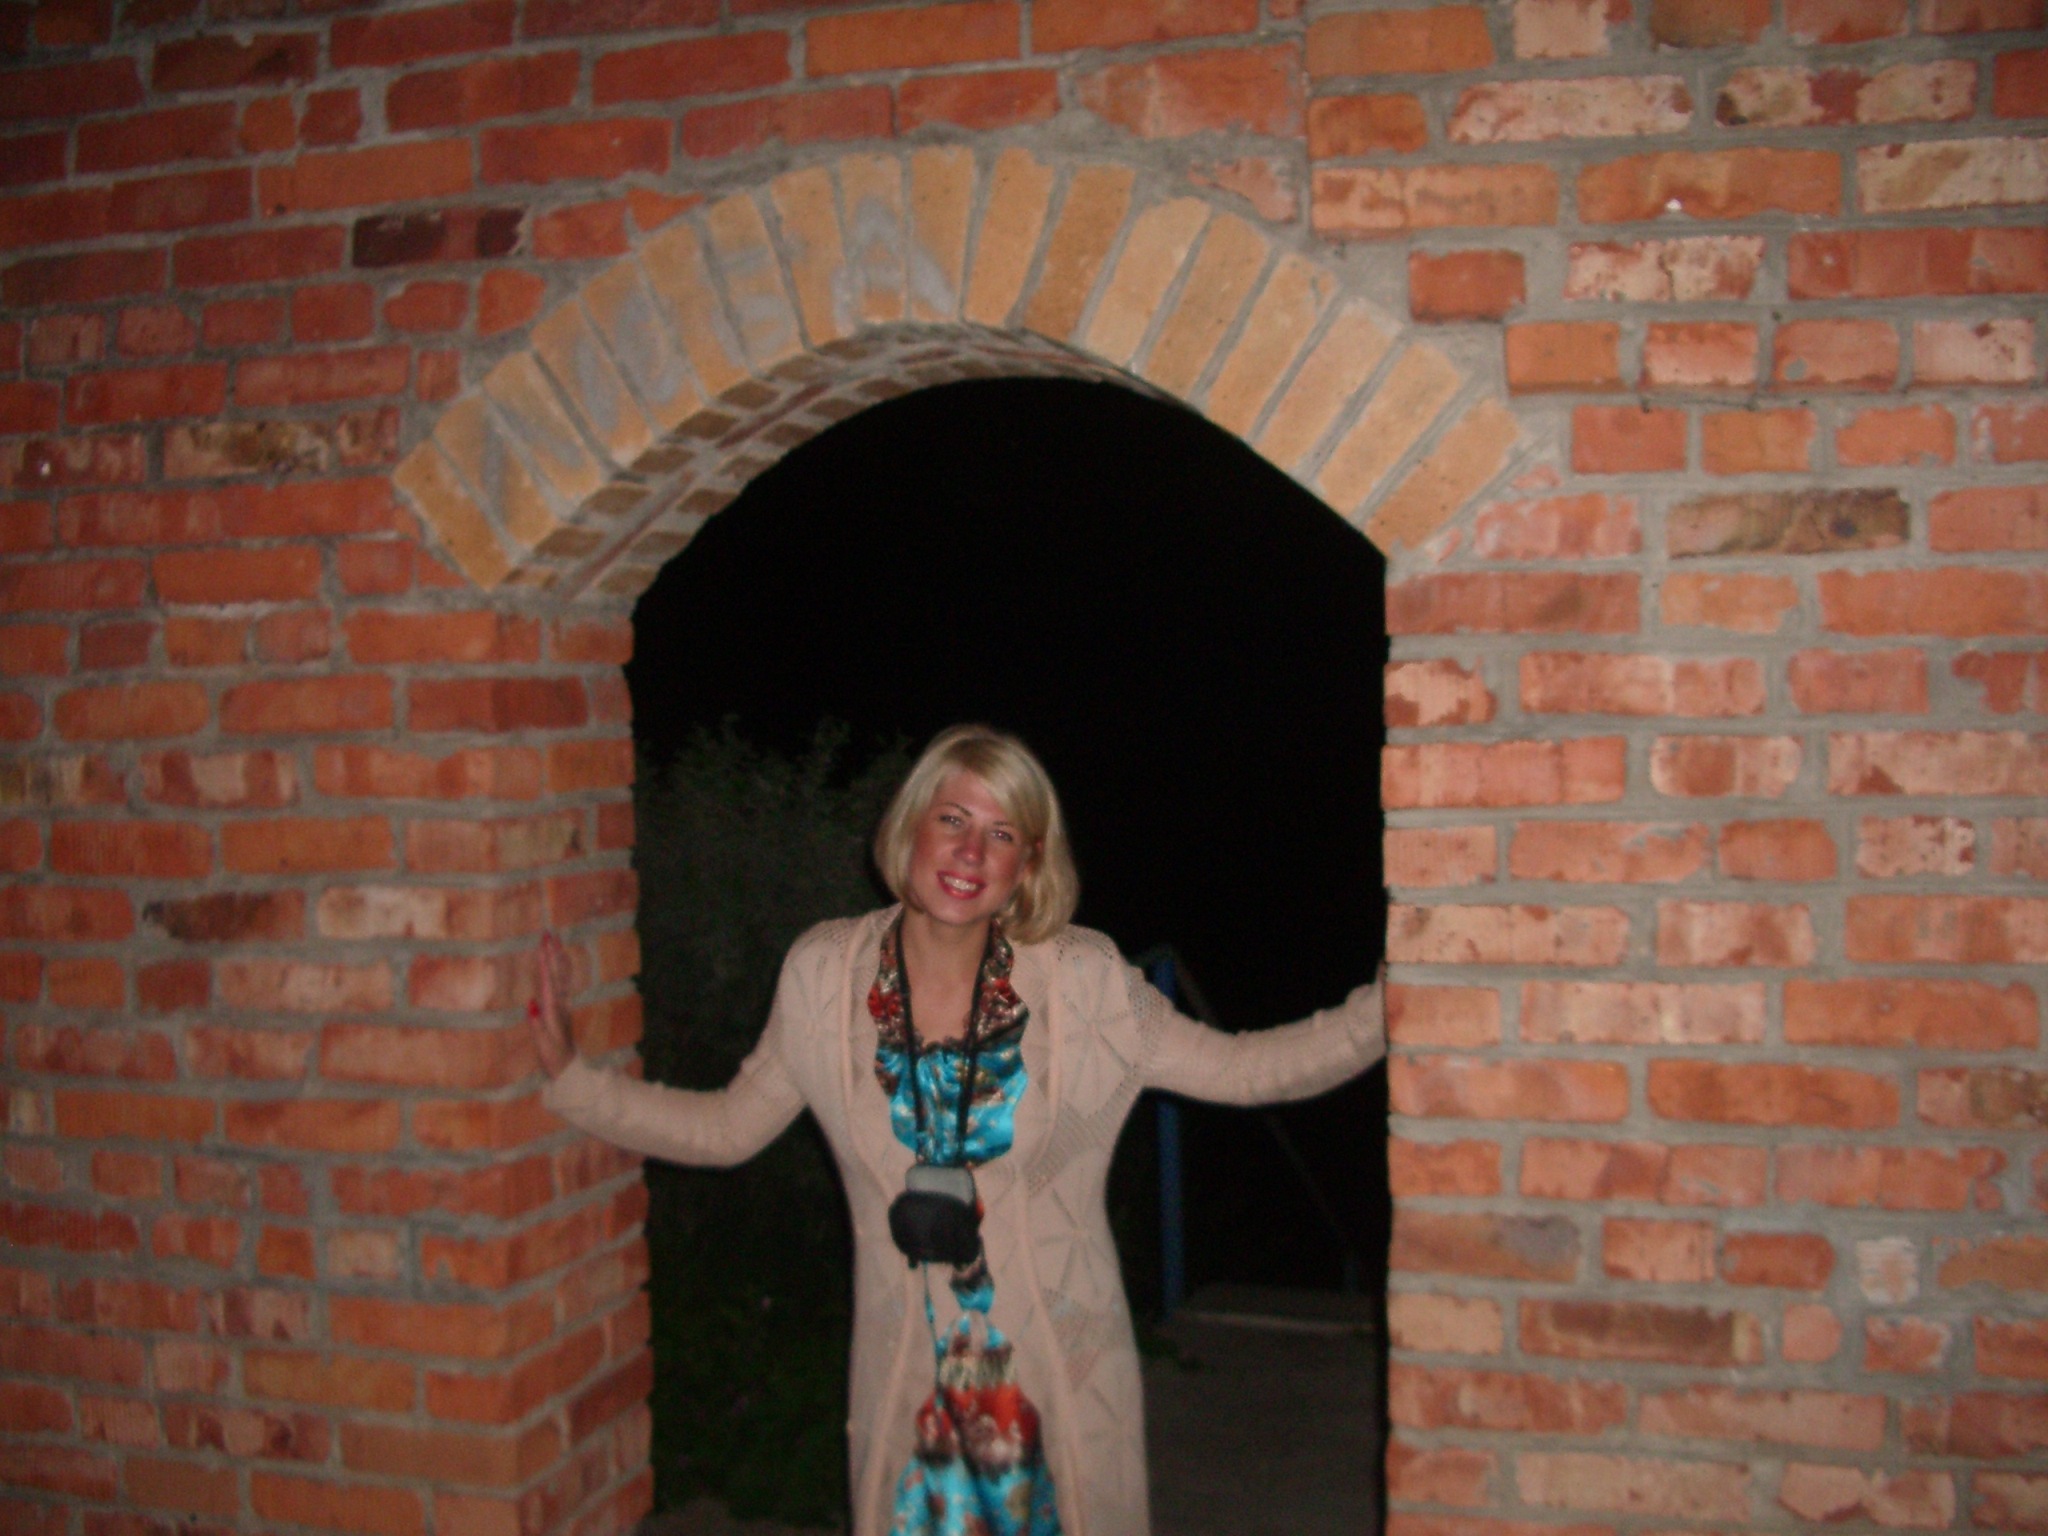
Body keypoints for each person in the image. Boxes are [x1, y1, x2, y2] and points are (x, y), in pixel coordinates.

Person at [527, 724, 1385, 1536]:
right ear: (909, 828)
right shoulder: (824, 975)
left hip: (1057, 1399)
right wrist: (573, 1081)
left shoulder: (1083, 983)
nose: (971, 852)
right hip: (912, 1409)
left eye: (1002, 833)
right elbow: (726, 1128)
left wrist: (1389, 1006)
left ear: (1028, 865)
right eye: (952, 820)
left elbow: (1246, 1069)